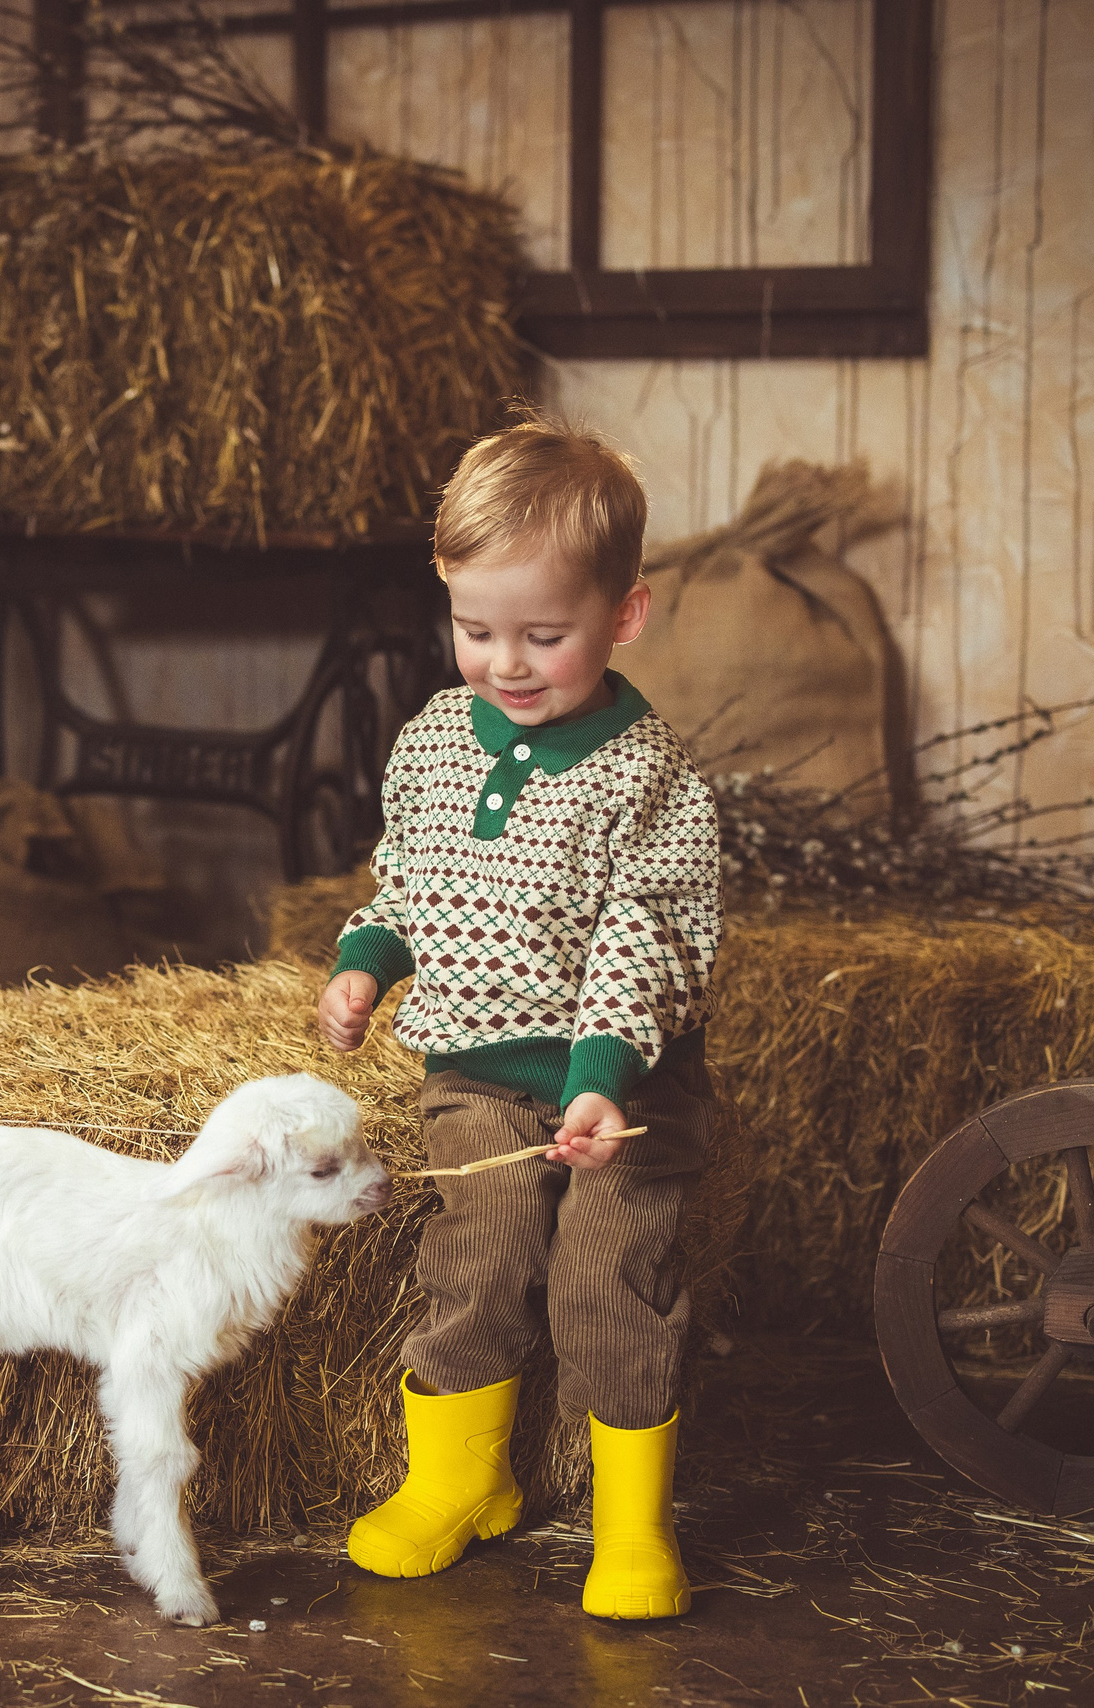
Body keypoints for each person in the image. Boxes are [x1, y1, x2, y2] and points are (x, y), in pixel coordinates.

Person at [319, 410, 720, 1619]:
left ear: (622, 616)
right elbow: (410, 878)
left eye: (544, 634)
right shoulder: (435, 739)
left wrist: (600, 1077)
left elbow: (646, 936)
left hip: (625, 1084)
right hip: (479, 1075)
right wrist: (366, 961)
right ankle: (459, 1482)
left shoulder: (648, 775)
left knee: (607, 1282)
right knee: (478, 1259)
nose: (504, 662)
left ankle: (632, 1526)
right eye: (474, 628)